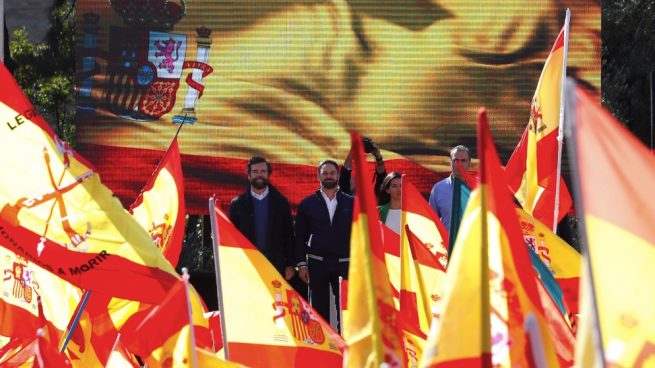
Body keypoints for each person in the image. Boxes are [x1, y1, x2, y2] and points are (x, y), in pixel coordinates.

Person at [228, 156, 305, 296]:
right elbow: (231, 236)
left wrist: (290, 264)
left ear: (268, 174)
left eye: (263, 171)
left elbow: (288, 234)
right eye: (255, 171)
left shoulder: (281, 202)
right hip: (248, 264)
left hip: (275, 264)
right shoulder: (237, 204)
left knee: (275, 303)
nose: (259, 175)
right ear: (249, 175)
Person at [294, 160, 353, 328]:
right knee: (319, 310)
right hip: (317, 263)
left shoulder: (351, 203)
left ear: (338, 175)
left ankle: (347, 347)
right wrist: (302, 264)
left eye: (332, 173)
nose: (329, 176)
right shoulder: (307, 204)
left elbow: (359, 235)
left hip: (344, 263)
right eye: (325, 173)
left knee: (346, 309)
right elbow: (299, 236)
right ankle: (324, 348)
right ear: (318, 176)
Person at [428, 145, 471, 232]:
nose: (459, 164)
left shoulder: (480, 188)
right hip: (448, 244)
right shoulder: (438, 189)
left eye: (463, 160)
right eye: (456, 160)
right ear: (450, 163)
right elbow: (431, 223)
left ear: (469, 163)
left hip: (474, 244)